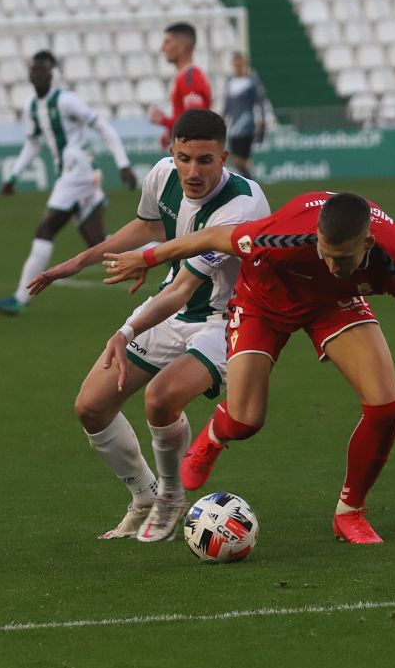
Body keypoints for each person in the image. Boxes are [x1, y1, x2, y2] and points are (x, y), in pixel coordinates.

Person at [102, 191, 395, 544]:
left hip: (332, 304)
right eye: (324, 252)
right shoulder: (282, 236)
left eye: (343, 259)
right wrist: (147, 257)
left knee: (387, 407)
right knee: (246, 421)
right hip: (264, 298)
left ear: (367, 244)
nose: (332, 264)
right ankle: (217, 433)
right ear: (316, 236)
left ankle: (349, 512)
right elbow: (212, 237)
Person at [27, 110, 270, 542]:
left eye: (204, 160)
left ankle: (172, 496)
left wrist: (126, 332)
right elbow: (149, 225)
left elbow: (183, 288)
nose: (192, 171)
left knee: (161, 399)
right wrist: (79, 260)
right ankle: (144, 495)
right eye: (183, 158)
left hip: (225, 320)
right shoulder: (162, 174)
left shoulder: (241, 205)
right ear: (171, 152)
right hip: (171, 307)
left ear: (224, 156)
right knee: (92, 406)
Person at [0, 50, 136, 317]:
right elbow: (33, 144)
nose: (38, 74)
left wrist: (123, 163)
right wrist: (13, 175)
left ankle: (21, 297)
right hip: (73, 174)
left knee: (46, 229)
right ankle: (164, 246)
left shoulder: (66, 100)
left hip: (76, 171)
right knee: (98, 242)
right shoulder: (32, 106)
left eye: (44, 69)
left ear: (53, 73)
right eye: (35, 69)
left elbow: (102, 126)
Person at [149, 22, 212, 150]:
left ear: (182, 46)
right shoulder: (185, 76)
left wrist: (163, 121)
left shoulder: (191, 78)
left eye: (167, 42)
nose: (162, 48)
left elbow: (194, 124)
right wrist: (170, 131)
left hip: (195, 157)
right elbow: (187, 117)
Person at [221, 51, 267, 179]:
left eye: (239, 61)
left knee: (239, 161)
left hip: (247, 124)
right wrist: (222, 120)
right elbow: (227, 105)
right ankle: (250, 184)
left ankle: (251, 184)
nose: (237, 64)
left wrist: (262, 122)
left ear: (244, 62)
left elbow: (260, 102)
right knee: (237, 161)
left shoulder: (252, 80)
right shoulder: (230, 81)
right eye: (235, 61)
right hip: (233, 126)